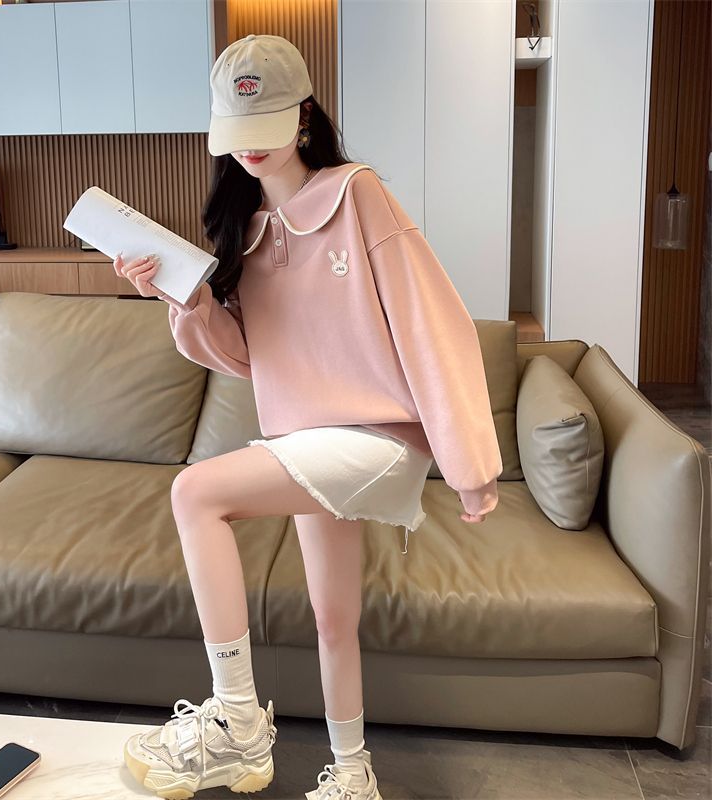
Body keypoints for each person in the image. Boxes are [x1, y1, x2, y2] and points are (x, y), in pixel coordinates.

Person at [118, 33, 503, 800]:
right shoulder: (245, 230)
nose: (251, 149)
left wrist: (470, 464)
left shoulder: (357, 195)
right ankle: (354, 775)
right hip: (308, 440)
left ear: (302, 118)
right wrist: (182, 296)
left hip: (379, 440)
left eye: (266, 127)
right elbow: (246, 357)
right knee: (332, 619)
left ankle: (237, 723)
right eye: (238, 132)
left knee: (195, 493)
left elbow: (431, 324)